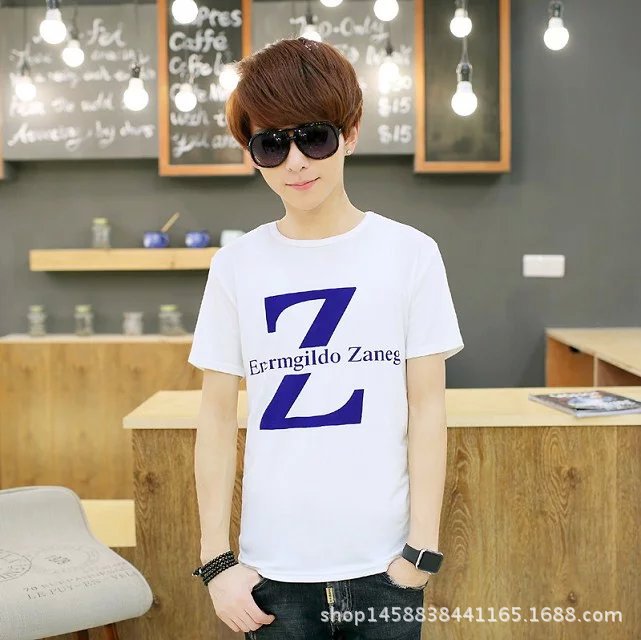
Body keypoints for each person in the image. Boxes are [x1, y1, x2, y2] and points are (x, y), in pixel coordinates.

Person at [188, 37, 464, 640]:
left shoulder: (411, 254)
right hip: (270, 575)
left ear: (351, 133)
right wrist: (216, 564)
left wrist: (421, 550)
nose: (295, 163)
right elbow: (216, 416)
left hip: (385, 569)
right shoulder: (235, 267)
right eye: (271, 144)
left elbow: (428, 407)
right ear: (253, 154)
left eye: (313, 137)